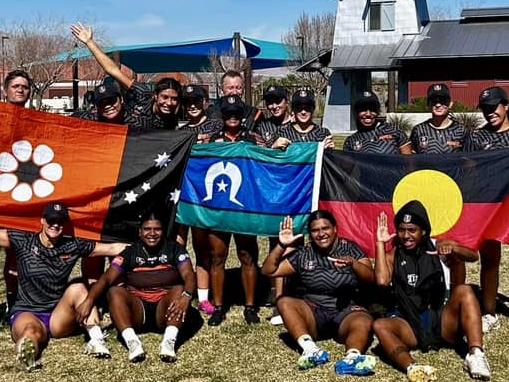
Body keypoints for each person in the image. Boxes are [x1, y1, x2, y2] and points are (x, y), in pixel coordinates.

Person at [0, 202, 129, 371]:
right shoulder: (23, 240)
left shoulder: (72, 245)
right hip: (27, 310)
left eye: (60, 221)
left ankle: (96, 339)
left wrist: (146, 246)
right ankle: (29, 355)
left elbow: (112, 247)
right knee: (31, 332)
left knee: (78, 287)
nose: (55, 224)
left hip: (58, 315)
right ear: (42, 220)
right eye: (51, 220)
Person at [374, 201, 490, 382]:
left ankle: (475, 354)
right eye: (402, 230)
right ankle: (412, 367)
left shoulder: (438, 246)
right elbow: (382, 281)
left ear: (424, 231)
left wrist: (454, 249)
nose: (406, 235)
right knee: (380, 325)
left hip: (442, 319)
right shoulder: (393, 255)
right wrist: (380, 244)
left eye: (412, 230)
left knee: (465, 291)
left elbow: (473, 256)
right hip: (409, 322)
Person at [261, 212, 376, 375]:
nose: (321, 234)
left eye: (325, 228)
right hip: (313, 312)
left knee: (364, 320)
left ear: (335, 229)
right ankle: (311, 351)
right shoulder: (304, 253)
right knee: (284, 302)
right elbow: (268, 271)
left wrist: (354, 264)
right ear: (310, 233)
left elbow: (371, 278)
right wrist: (281, 245)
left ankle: (352, 358)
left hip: (346, 312)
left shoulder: (350, 248)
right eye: (315, 230)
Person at [76, 212, 196, 363]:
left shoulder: (174, 249)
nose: (152, 233)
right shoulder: (130, 252)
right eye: (147, 229)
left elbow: (189, 275)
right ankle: (132, 342)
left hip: (165, 310)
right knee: (114, 292)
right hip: (138, 310)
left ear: (163, 231)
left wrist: (186, 296)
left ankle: (169, 342)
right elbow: (107, 278)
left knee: (179, 289)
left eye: (157, 229)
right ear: (140, 232)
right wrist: (89, 301)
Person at [205, 95, 264, 326]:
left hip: (245, 206)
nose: (232, 117)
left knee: (247, 255)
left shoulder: (253, 138)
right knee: (217, 256)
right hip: (218, 207)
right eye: (228, 113)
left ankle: (250, 306)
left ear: (242, 115)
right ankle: (219, 307)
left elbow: (265, 165)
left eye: (236, 113)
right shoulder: (212, 139)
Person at [71, 23, 182, 132]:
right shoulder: (142, 93)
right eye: (165, 97)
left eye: (174, 99)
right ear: (155, 96)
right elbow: (113, 70)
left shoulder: (174, 114)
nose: (169, 103)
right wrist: (89, 42)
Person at [463, 86, 509, 333]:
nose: (490, 113)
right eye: (486, 109)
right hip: (490, 207)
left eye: (494, 107)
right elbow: (469, 172)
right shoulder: (476, 137)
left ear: (506, 106)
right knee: (490, 258)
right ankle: (489, 310)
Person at [176, 84, 223, 316]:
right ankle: (180, 290)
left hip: (205, 197)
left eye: (196, 101)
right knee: (178, 245)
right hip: (183, 194)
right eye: (188, 102)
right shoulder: (180, 131)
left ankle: (204, 297)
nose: (192, 105)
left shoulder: (216, 126)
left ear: (205, 102)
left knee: (202, 247)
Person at [2, 70, 33, 320]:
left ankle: (15, 302)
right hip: (2, 190)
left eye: (24, 86)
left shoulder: (38, 120)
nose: (20, 90)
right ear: (6, 90)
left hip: (24, 194)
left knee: (17, 249)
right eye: (15, 86)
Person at [344, 91, 412, 154]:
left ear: (378, 111)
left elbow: (408, 162)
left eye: (372, 109)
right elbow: (346, 166)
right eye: (363, 109)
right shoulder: (351, 141)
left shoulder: (395, 131)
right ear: (356, 112)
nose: (368, 114)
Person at [410, 84, 466, 154]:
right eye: (434, 101)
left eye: (442, 101)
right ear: (428, 104)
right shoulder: (418, 130)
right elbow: (412, 159)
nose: (438, 105)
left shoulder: (461, 130)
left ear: (450, 104)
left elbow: (469, 159)